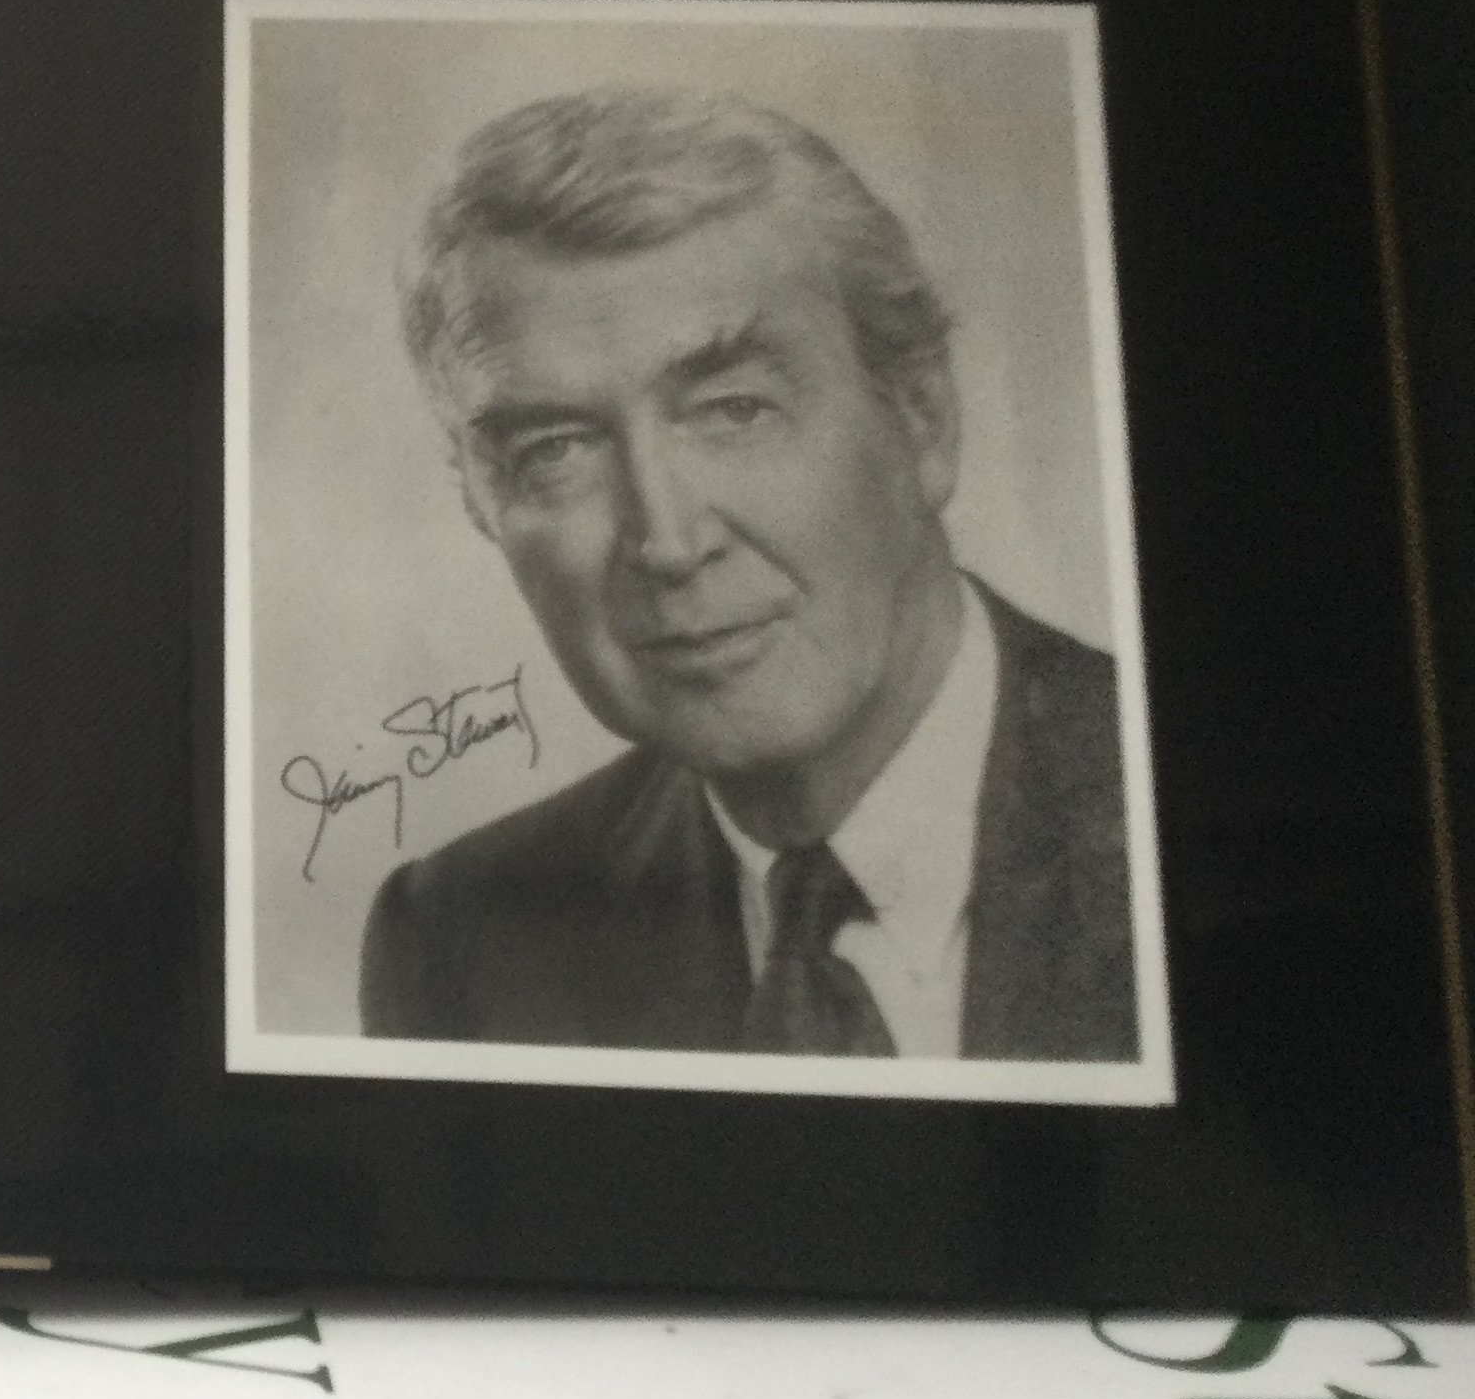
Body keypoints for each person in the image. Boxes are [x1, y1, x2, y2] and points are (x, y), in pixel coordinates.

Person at [361, 88, 1137, 1061]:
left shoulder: (1176, 804)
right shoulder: (462, 940)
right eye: (556, 449)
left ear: (922, 420)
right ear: (481, 501)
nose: (669, 541)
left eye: (735, 410)